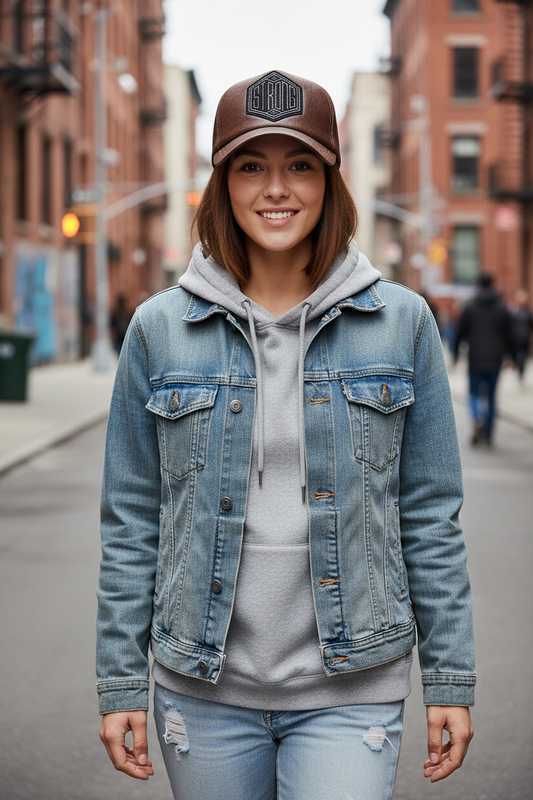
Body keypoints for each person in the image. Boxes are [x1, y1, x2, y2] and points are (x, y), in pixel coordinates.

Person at [97, 71, 475, 800]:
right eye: (251, 166)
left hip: (353, 684)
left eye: (300, 164)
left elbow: (431, 516)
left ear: (330, 180)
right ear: (222, 184)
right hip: (201, 687)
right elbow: (132, 520)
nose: (276, 188)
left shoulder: (402, 322)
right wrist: (118, 681)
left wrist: (450, 677)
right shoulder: (157, 329)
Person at [454, 272, 514, 446]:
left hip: (475, 357)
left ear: (478, 284)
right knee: (491, 396)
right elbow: (509, 334)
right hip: (495, 358)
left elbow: (460, 332)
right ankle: (488, 436)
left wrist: (456, 353)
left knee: (473, 392)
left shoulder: (470, 307)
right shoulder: (502, 307)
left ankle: (478, 416)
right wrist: (512, 356)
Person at [509, 288, 532, 381]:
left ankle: (521, 371)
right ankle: (517, 367)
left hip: (524, 338)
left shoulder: (527, 312)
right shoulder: (513, 311)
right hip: (515, 338)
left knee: (523, 356)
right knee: (517, 355)